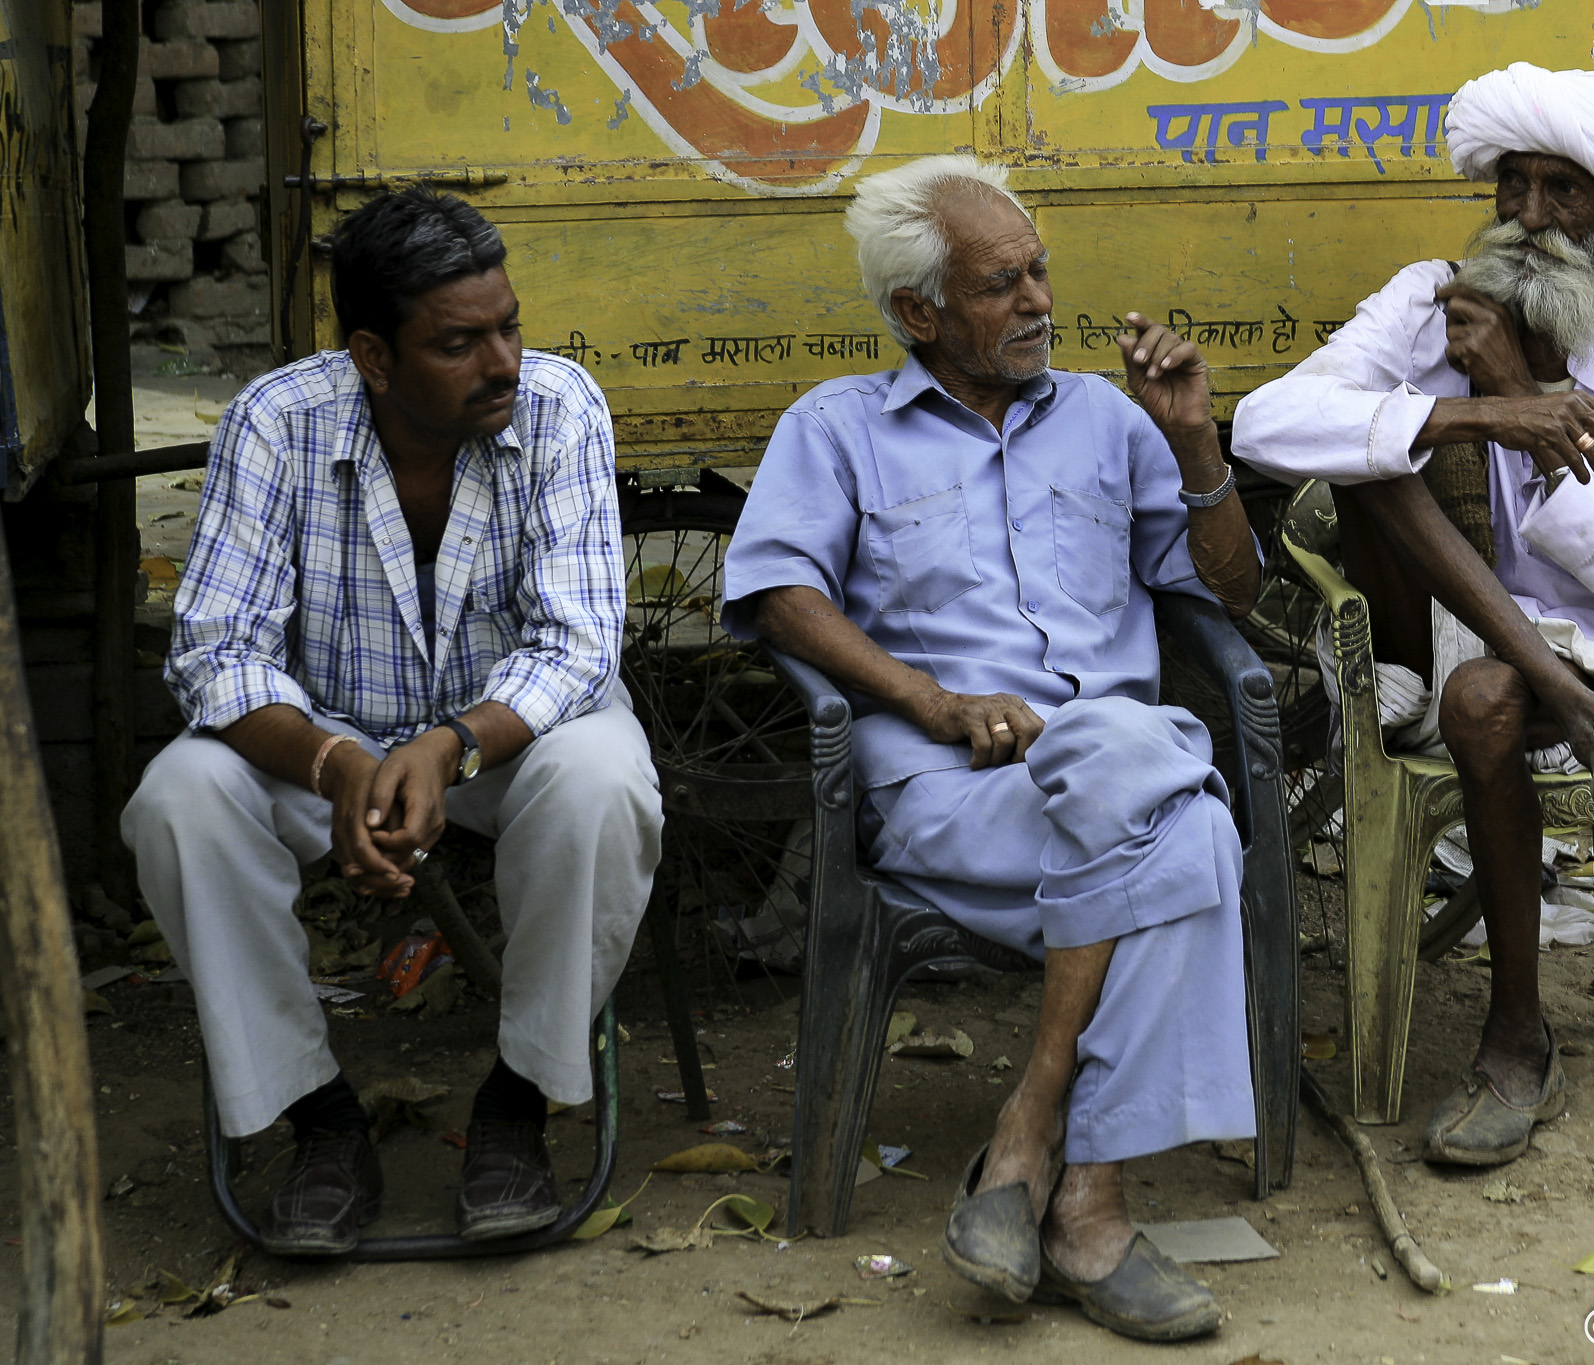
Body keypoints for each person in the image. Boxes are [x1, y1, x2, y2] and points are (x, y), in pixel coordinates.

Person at [721, 154, 1262, 1342]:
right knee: (1193, 836)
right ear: (917, 313)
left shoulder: (1113, 422)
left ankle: (1044, 1158)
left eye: (1038, 273)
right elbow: (775, 594)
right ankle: (1084, 1205)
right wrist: (925, 699)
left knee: (1138, 779)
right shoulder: (838, 428)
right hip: (956, 792)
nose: (1036, 302)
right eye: (997, 284)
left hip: (1107, 767)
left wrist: (1193, 444)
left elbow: (1225, 593)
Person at [122, 187, 662, 1251]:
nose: (502, 363)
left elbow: (575, 645)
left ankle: (518, 1103)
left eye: (509, 326)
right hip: (324, 743)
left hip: (507, 742)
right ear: (373, 356)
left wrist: (447, 747)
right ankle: (319, 1117)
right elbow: (215, 653)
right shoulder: (275, 422)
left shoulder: (560, 408)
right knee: (177, 801)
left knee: (605, 783)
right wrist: (335, 764)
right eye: (459, 344)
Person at [1232, 64, 1594, 1167]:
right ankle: (1553, 694)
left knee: (1481, 698)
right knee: (1375, 450)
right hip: (1433, 626)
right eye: (1514, 185)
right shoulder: (1430, 301)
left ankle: (1517, 1040)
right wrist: (1476, 414)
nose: (1530, 217)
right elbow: (1264, 423)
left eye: (1564, 192)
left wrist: (1530, 412)